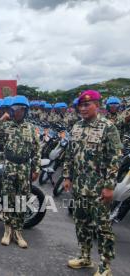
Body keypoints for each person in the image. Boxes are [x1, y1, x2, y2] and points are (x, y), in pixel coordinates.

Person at [63, 90, 122, 276]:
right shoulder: (76, 127)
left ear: (97, 105)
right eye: (80, 105)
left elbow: (115, 158)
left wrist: (109, 186)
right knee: (81, 224)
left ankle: (105, 266)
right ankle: (85, 257)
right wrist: (67, 176)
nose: (83, 108)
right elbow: (70, 154)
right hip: (80, 187)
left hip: (99, 188)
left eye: (87, 104)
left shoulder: (108, 127)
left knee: (102, 228)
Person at [0, 95, 40, 248]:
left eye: (20, 109)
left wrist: (36, 168)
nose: (17, 112)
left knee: (21, 199)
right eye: (15, 109)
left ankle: (18, 231)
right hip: (9, 166)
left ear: (25, 111)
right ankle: (7, 230)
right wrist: (1, 120)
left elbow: (37, 149)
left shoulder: (30, 128)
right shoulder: (6, 126)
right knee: (8, 198)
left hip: (24, 168)